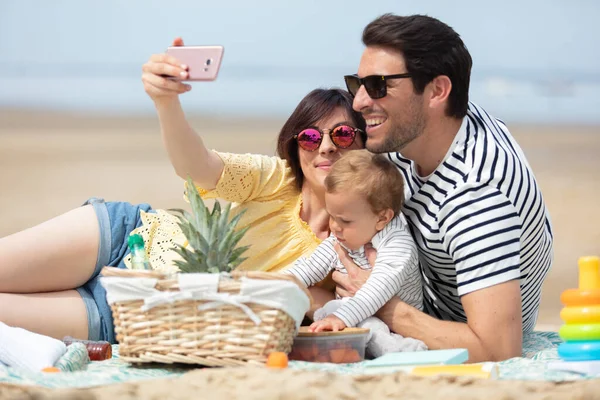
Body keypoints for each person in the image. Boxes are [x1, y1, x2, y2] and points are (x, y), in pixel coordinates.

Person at [0, 39, 365, 344]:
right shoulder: (277, 179)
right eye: (311, 136)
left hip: (142, 313)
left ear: (365, 146)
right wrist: (167, 102)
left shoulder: (357, 241)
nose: (326, 147)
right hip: (124, 237)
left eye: (343, 135)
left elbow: (319, 305)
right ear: (295, 144)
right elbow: (197, 167)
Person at [330, 14, 553, 362]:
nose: (358, 102)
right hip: (412, 293)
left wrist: (383, 303)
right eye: (356, 83)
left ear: (437, 91)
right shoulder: (429, 128)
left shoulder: (477, 192)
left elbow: (498, 350)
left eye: (377, 86)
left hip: (446, 336)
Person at [285, 150, 427, 357]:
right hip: (353, 311)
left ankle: (404, 351)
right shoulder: (343, 237)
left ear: (382, 218)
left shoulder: (397, 245)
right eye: (331, 216)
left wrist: (341, 318)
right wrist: (275, 284)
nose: (334, 227)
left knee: (367, 324)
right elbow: (308, 267)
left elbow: (375, 291)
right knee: (328, 308)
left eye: (345, 221)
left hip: (397, 327)